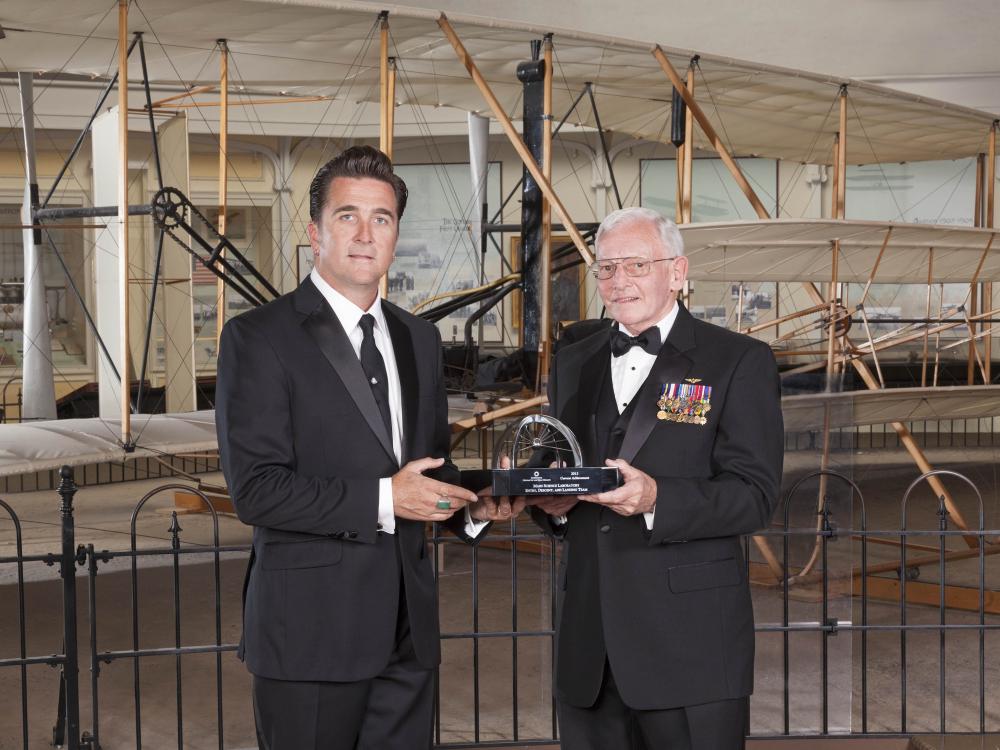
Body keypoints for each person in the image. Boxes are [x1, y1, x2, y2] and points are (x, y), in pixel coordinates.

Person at [215, 145, 504, 750]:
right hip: (310, 633)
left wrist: (470, 506)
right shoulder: (258, 338)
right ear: (316, 231)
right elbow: (257, 491)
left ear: (396, 233)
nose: (366, 233)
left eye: (383, 218)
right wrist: (384, 498)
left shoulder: (418, 338)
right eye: (348, 215)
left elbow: (426, 470)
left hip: (407, 632)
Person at [529, 206, 783, 749]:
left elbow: (755, 496)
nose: (619, 282)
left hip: (689, 646)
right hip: (589, 648)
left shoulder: (738, 360)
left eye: (637, 265)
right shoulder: (574, 360)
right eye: (607, 268)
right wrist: (547, 502)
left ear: (677, 271)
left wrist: (655, 499)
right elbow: (564, 468)